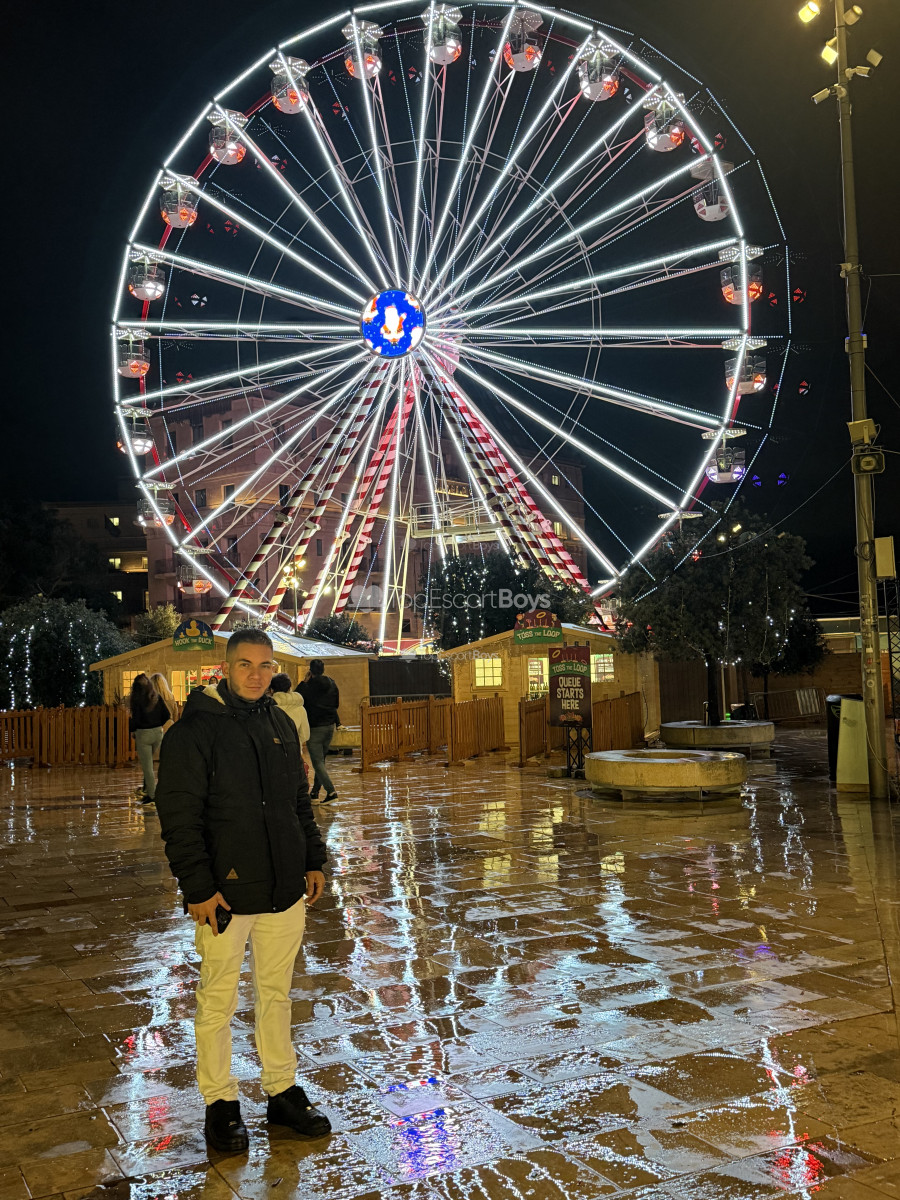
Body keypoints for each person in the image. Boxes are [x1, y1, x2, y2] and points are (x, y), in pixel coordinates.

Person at [155, 629, 331, 1155]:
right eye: (245, 665)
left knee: (276, 994)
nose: (256, 675)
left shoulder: (280, 722)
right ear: (225, 668)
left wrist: (312, 858)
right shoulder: (194, 731)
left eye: (265, 665)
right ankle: (221, 1101)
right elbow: (179, 816)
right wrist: (198, 888)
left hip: (283, 888)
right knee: (218, 999)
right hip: (225, 895)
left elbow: (297, 801)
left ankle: (282, 1089)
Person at [296, 659, 340, 802]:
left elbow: (297, 697)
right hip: (329, 726)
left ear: (310, 670)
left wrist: (304, 682)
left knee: (317, 762)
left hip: (315, 727)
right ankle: (315, 793)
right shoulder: (332, 683)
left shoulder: (308, 686)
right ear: (323, 669)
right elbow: (336, 704)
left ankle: (331, 792)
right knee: (321, 761)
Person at [129, 673, 171, 803]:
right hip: (158, 733)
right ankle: (147, 789)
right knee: (151, 763)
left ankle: (152, 796)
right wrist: (158, 724)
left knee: (148, 767)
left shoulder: (137, 700)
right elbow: (167, 715)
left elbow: (135, 719)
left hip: (143, 734)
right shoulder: (156, 697)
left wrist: (133, 730)